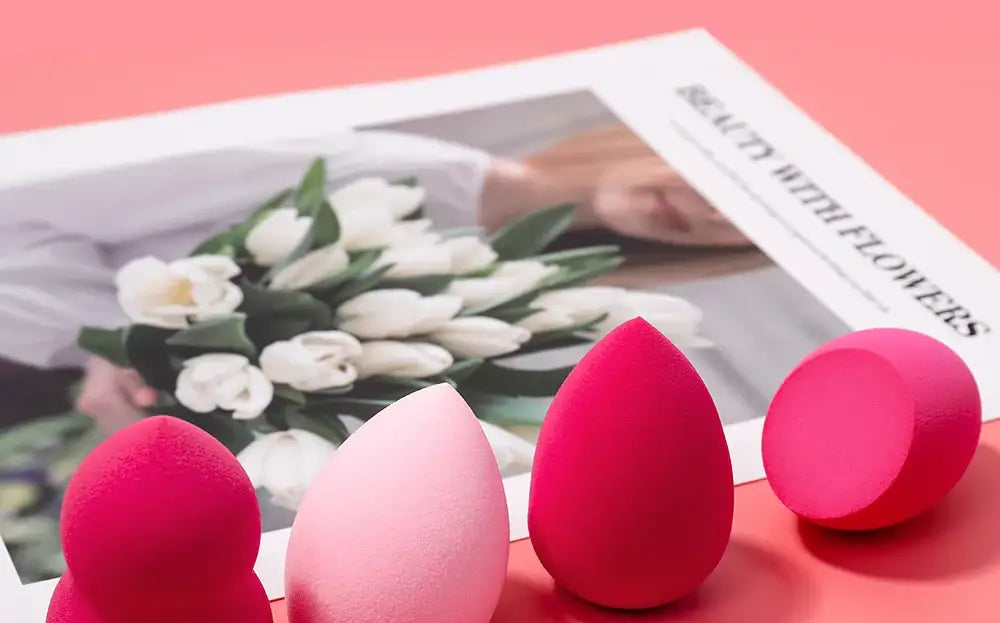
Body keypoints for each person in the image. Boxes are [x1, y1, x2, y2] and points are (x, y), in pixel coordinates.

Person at [0, 126, 747, 434]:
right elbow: (26, 203)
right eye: (724, 181)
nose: (709, 214)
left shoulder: (508, 289)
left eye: (737, 229)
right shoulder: (391, 168)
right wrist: (115, 335)